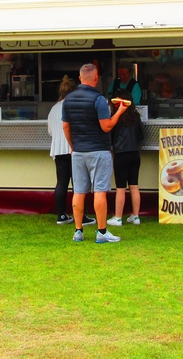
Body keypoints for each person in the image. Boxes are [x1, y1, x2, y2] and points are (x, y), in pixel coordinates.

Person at [62, 63, 128, 243]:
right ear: (96, 78)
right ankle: (101, 232)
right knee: (100, 191)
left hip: (78, 151)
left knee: (79, 191)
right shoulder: (98, 99)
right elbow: (106, 126)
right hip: (99, 150)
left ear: (80, 77)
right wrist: (120, 111)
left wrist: (72, 145)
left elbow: (65, 126)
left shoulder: (68, 100)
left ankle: (78, 231)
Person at [47, 76, 97, 227]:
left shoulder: (53, 109)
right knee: (79, 183)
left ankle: (61, 215)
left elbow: (50, 131)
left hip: (58, 149)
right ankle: (81, 216)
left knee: (61, 182)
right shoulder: (73, 105)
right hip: (74, 147)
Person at [107, 89, 145, 227]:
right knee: (134, 186)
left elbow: (110, 136)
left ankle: (118, 218)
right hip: (135, 153)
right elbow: (142, 135)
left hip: (120, 154)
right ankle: (136, 216)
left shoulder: (115, 117)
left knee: (121, 187)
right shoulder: (136, 116)